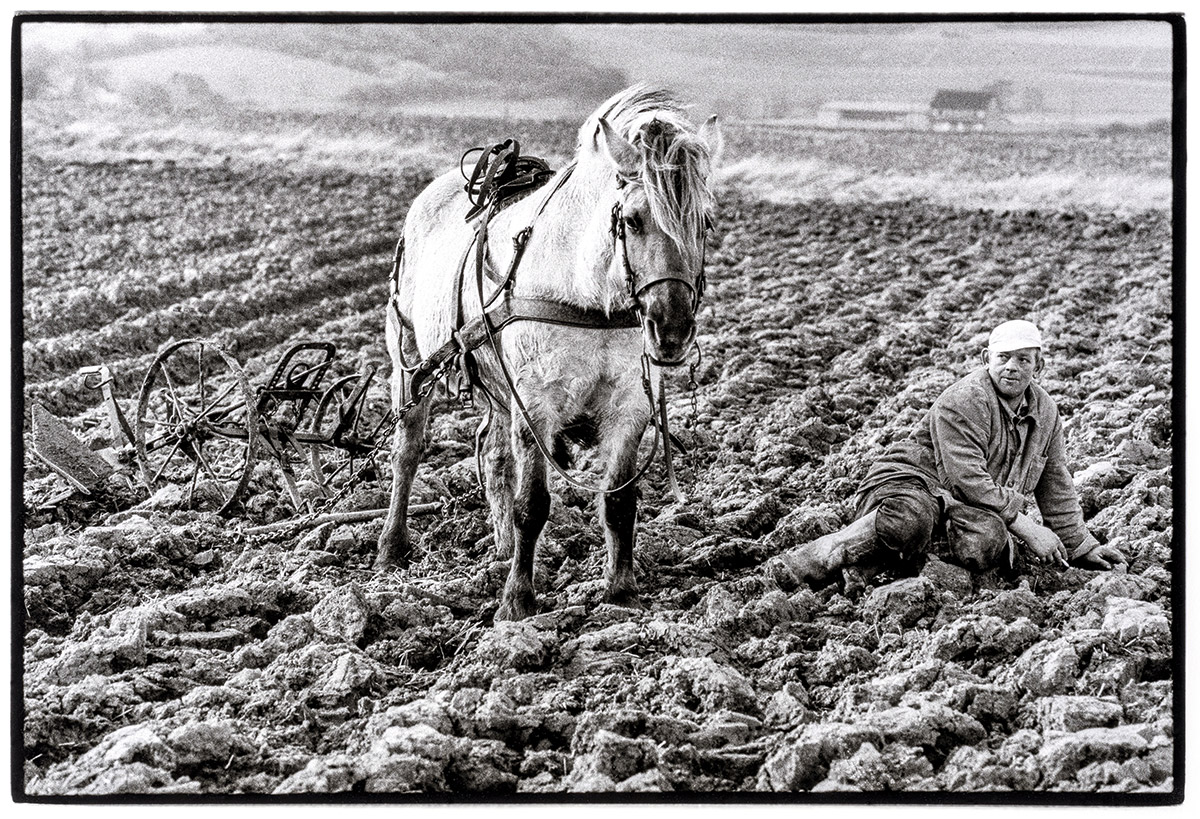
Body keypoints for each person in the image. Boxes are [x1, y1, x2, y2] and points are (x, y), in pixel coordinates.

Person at [769, 319, 1125, 589]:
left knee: (986, 544)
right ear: (987, 358)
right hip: (914, 482)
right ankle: (818, 557)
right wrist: (1028, 527)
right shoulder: (966, 399)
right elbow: (965, 477)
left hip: (964, 503)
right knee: (908, 521)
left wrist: (1080, 544)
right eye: (1003, 358)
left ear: (1039, 366)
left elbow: (1055, 481)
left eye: (1023, 360)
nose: (1012, 368)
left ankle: (873, 568)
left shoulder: (1045, 412)